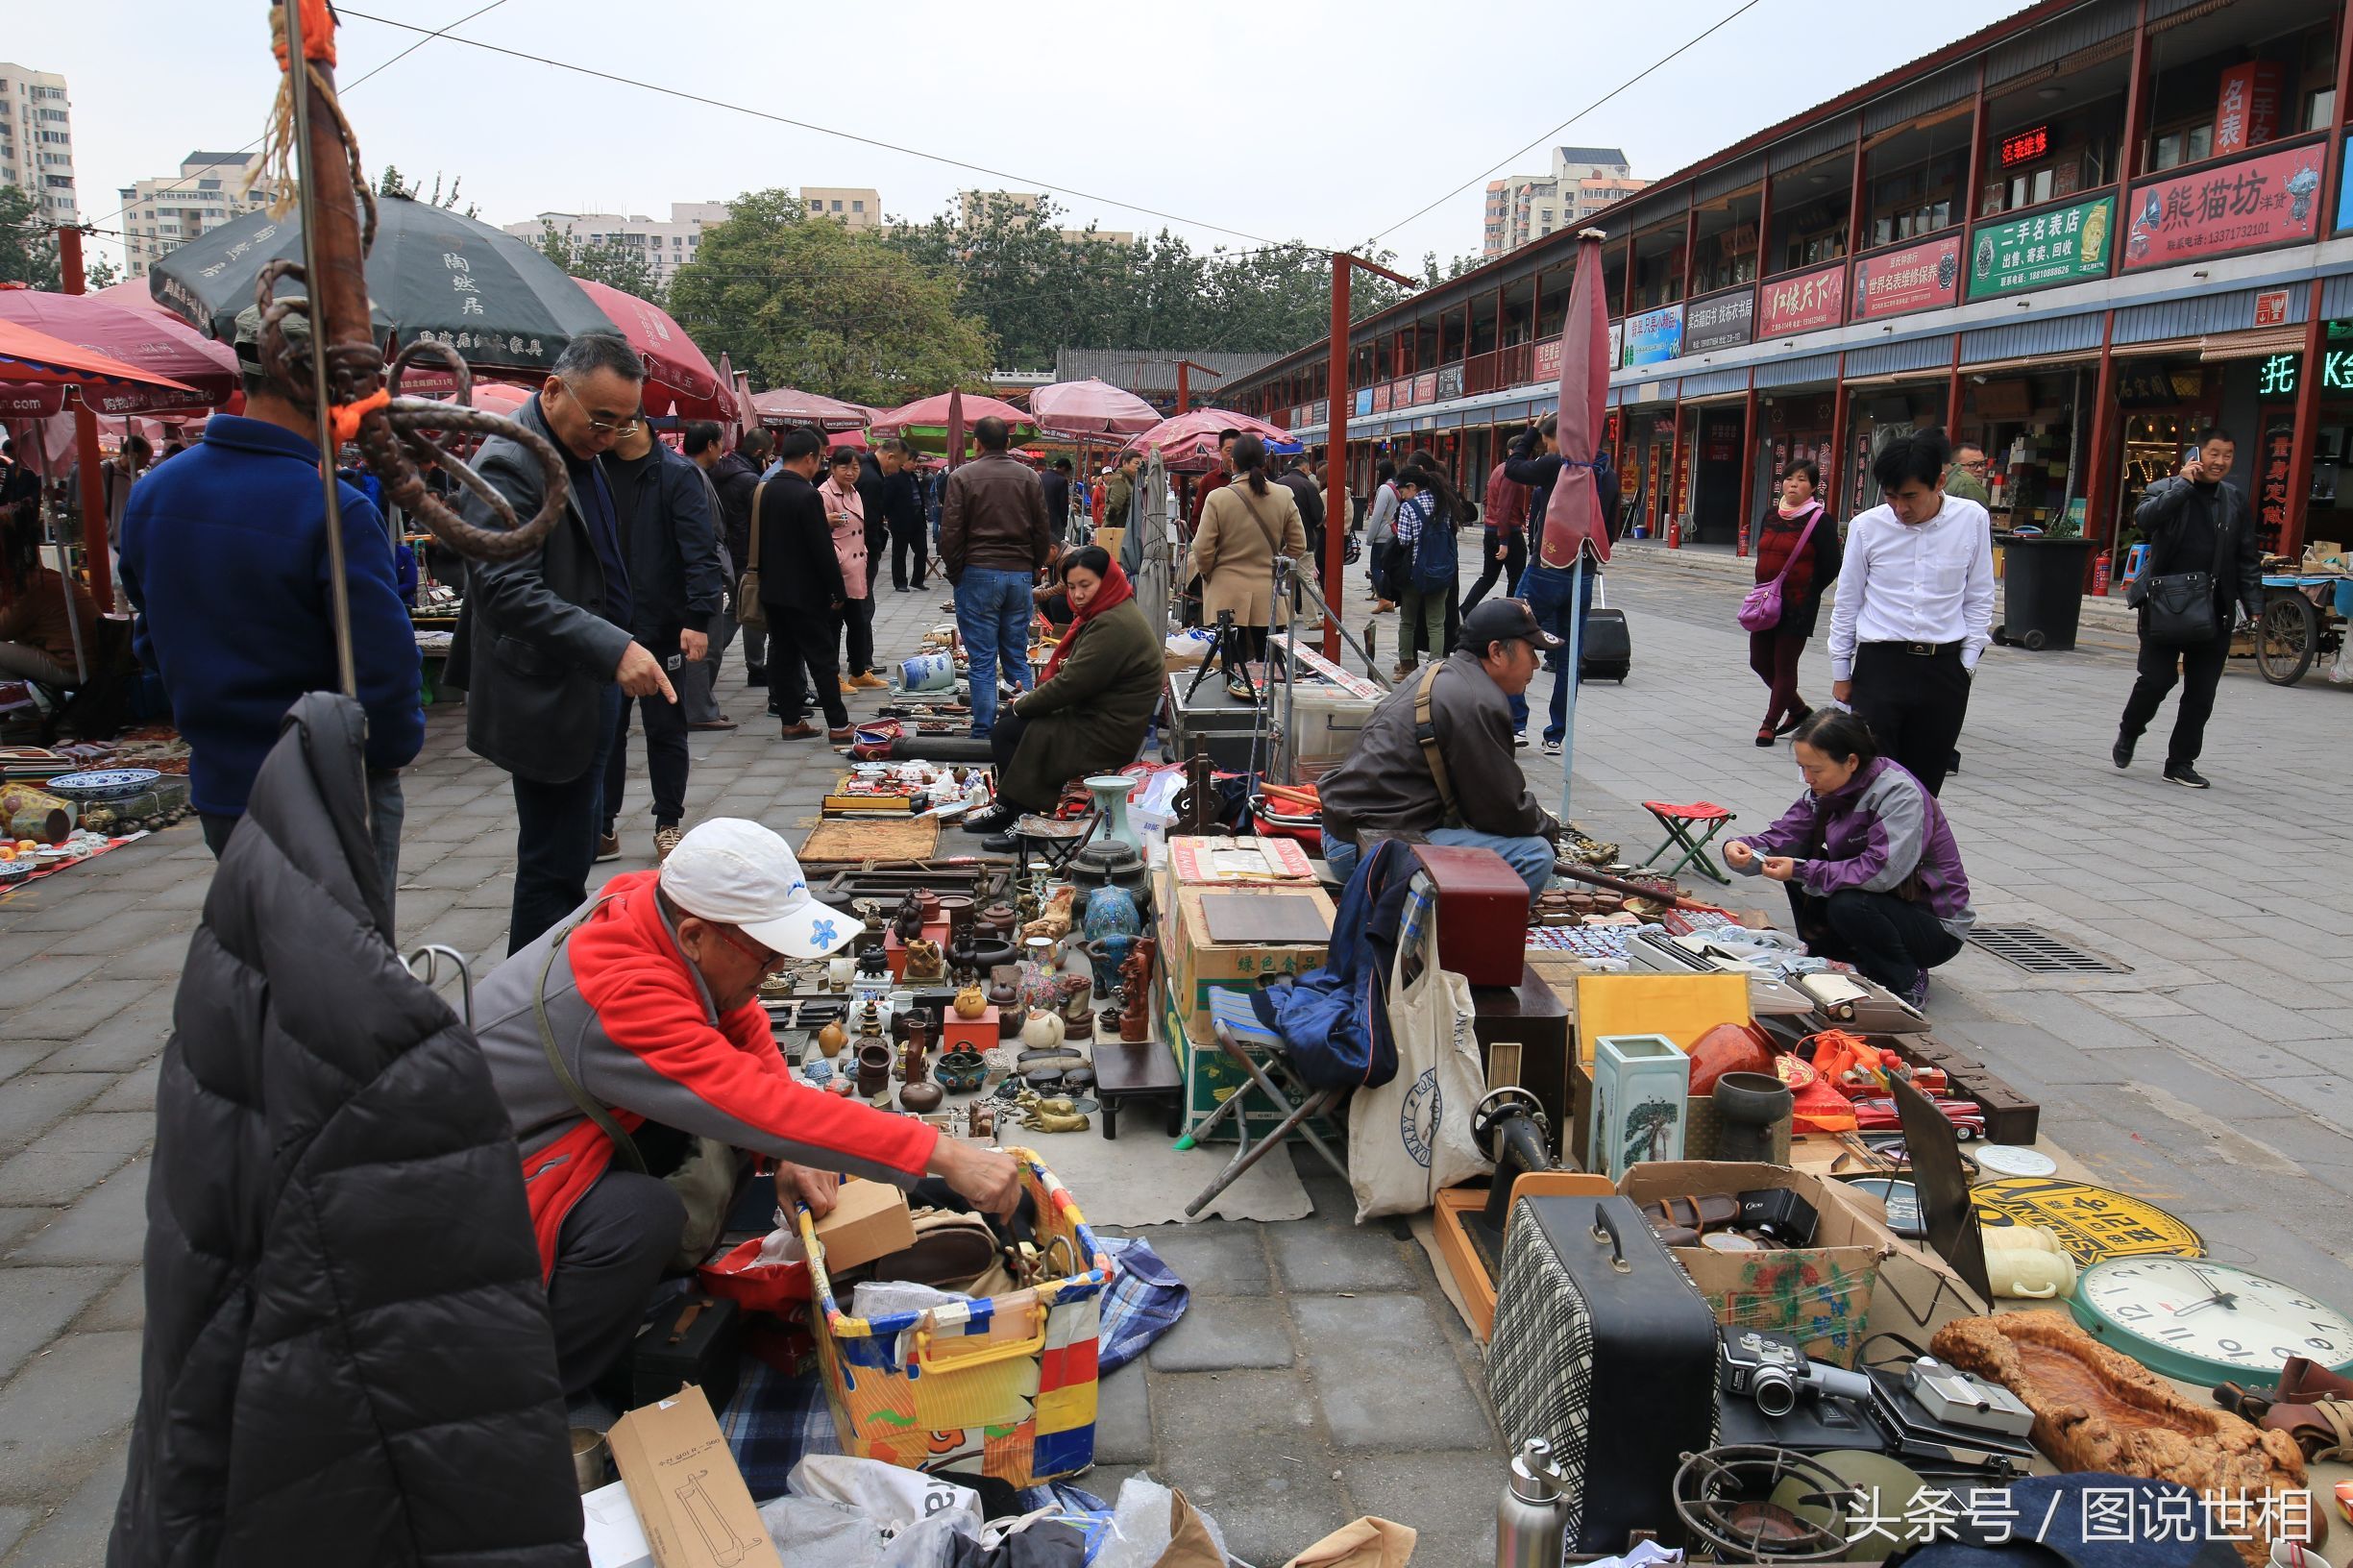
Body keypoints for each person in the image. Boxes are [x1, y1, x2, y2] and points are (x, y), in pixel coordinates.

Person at [471, 819, 1021, 1400]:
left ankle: (628, 1289)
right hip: (482, 1194)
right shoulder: (622, 990)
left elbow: (739, 1023)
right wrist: (944, 1153)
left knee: (738, 1142)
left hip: (560, 1128)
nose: (775, 972)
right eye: (764, 956)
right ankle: (545, 1383)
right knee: (641, 1215)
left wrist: (780, 1149)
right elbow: (748, 1099)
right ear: (693, 937)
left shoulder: (654, 905)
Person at [119, 305, 421, 906]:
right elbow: (382, 671)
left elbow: (151, 640)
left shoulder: (156, 491)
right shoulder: (331, 508)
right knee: (345, 983)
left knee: (258, 968)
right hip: (328, 791)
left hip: (223, 785)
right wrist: (384, 757)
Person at [448, 332, 675, 953]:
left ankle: (552, 995)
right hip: (546, 691)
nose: (609, 436)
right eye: (600, 420)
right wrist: (610, 646)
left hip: (588, 683)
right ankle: (527, 1016)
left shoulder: (578, 451)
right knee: (552, 871)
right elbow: (502, 589)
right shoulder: (509, 462)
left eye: (623, 425)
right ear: (552, 390)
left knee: (569, 859)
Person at [1724, 708, 1973, 1008]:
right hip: (1882, 902)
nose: (1807, 779)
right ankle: (1833, 954)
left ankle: (1905, 977)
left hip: (1934, 924)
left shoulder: (1898, 794)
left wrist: (1802, 870)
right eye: (1802, 768)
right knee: (1794, 858)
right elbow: (1782, 838)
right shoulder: (1826, 791)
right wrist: (1743, 850)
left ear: (1851, 761)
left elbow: (1880, 872)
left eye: (1815, 770)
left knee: (1844, 899)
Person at [1318, 599, 1564, 894]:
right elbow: (1501, 809)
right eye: (1531, 652)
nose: (1536, 665)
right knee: (1535, 854)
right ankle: (1474, 937)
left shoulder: (1440, 671)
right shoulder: (1476, 698)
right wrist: (1548, 827)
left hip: (1345, 829)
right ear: (1496, 651)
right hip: (1367, 844)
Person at [1826, 429, 1993, 798]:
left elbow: (1980, 595)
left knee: (1925, 786)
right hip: (1880, 668)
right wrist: (1841, 671)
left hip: (1943, 671)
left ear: (1939, 482)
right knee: (1869, 782)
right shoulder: (1867, 527)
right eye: (1891, 496)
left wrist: (1966, 662)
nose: (1900, 508)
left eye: (1911, 496)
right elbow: (1847, 602)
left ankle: (1914, 857)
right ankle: (1865, 855)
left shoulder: (1972, 520)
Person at [964, 547, 1162, 848]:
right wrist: (1026, 703)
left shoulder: (1114, 623)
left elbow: (1072, 684)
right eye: (1071, 587)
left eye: (1086, 585)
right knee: (1009, 723)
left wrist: (1025, 704)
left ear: (1106, 581)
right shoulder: (1108, 611)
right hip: (1095, 714)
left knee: (1022, 727)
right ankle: (1009, 806)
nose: (1078, 594)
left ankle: (1029, 823)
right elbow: (1077, 680)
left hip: (1110, 731)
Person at [598, 413, 724, 864]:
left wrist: (697, 617)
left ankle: (667, 822)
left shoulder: (676, 473)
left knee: (666, 730)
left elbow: (700, 551)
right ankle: (603, 824)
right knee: (605, 731)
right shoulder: (592, 466)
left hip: (662, 626)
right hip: (604, 627)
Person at [2114, 428, 2263, 789]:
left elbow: (2246, 555)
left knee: (2202, 692)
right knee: (2157, 679)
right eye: (2214, 453)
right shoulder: (2166, 488)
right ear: (2198, 454)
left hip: (2215, 609)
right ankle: (2130, 730)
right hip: (2166, 604)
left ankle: (2180, 761)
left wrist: (2254, 604)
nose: (2220, 462)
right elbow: (2145, 520)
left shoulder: (2233, 500)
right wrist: (2182, 486)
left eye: (2227, 455)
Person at [1505, 416, 1619, 758]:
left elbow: (1513, 468)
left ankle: (1516, 724)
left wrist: (1529, 432)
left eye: (1548, 441)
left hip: (1548, 568)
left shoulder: (1561, 465)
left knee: (1513, 635)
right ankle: (1555, 735)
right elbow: (1610, 527)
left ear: (1561, 438)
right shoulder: (1606, 473)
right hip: (1583, 572)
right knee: (1569, 658)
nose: (1546, 448)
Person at [940, 415, 1052, 737]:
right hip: (1018, 574)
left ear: (977, 444)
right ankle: (1026, 727)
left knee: (982, 659)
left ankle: (983, 729)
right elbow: (1042, 530)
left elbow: (950, 533)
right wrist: (1033, 567)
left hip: (977, 571)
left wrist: (957, 570)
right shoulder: (1029, 477)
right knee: (1017, 654)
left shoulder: (962, 477)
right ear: (1008, 443)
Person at [757, 426, 853, 742]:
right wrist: (836, 588)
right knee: (822, 659)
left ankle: (790, 720)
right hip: (804, 591)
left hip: (773, 589)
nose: (820, 465)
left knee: (783, 656)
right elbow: (821, 548)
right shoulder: (806, 494)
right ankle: (838, 725)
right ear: (809, 458)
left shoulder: (768, 489)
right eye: (821, 459)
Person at [1747, 458, 1843, 747]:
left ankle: (1769, 724)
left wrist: (1808, 591)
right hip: (1765, 601)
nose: (1794, 484)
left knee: (1784, 664)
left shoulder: (1819, 521)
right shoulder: (1771, 515)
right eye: (1789, 478)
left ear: (1813, 487)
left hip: (1798, 604)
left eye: (1802, 480)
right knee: (1759, 661)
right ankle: (1799, 710)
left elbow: (1831, 564)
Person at [1193, 432, 1309, 660]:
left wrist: (1209, 573)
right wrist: (1277, 564)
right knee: (1270, 666)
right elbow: (1298, 544)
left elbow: (1202, 548)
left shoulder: (1218, 498)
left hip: (1226, 590)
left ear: (1233, 463)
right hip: (1268, 590)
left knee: (1233, 667)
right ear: (1264, 462)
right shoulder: (1282, 495)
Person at [677, 422, 740, 732]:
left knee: (708, 643)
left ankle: (702, 704)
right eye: (720, 444)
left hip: (707, 565)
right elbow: (702, 532)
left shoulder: (695, 473)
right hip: (704, 569)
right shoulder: (691, 475)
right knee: (705, 643)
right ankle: (698, 709)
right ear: (711, 445)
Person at [821, 447, 887, 693]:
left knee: (859, 621)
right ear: (832, 468)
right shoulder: (825, 494)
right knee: (834, 624)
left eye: (855, 467)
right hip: (838, 569)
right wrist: (838, 559)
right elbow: (818, 536)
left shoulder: (855, 492)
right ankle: (831, 676)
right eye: (844, 467)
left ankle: (858, 672)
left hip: (857, 567)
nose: (850, 472)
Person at [1391, 463, 1464, 677]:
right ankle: (1435, 667)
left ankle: (1407, 665)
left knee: (1408, 621)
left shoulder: (1409, 507)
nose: (1402, 496)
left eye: (1403, 490)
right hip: (1442, 572)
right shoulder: (1444, 503)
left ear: (1412, 487)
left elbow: (1404, 540)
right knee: (1436, 622)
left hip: (1416, 573)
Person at [0, 564, 97, 689]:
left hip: (74, 667)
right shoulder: (45, 577)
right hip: (90, 661)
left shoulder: (28, 587)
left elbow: (3, 631)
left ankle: (21, 706)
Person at [1463, 454, 1531, 614]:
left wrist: (1491, 519)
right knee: (1517, 578)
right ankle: (1510, 615)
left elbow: (1487, 500)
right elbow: (1504, 506)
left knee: (1488, 577)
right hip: (1508, 531)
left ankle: (1464, 610)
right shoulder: (1512, 473)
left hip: (1492, 529)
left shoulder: (1497, 470)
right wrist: (1504, 540)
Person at [871, 439, 928, 591]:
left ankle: (917, 580)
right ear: (904, 461)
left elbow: (919, 499)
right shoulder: (894, 477)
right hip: (901, 522)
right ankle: (900, 582)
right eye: (913, 461)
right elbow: (886, 500)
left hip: (917, 521)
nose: (915, 465)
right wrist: (889, 517)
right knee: (899, 553)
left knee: (922, 550)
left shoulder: (914, 477)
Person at [1276, 452, 1327, 571]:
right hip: (1304, 541)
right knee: (1307, 582)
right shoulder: (1308, 486)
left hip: (1281, 542)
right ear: (1305, 468)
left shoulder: (1277, 483)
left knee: (1283, 580)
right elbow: (1318, 516)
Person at [1362, 458, 1400, 611]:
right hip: (1394, 533)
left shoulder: (1385, 489)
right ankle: (1387, 598)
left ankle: (1385, 598)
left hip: (1383, 534)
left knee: (1376, 567)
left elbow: (1377, 515)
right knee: (1388, 568)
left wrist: (1370, 538)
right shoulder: (1398, 487)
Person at [1188, 429, 1240, 534]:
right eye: (1229, 451)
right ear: (1220, 451)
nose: (1233, 456)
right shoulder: (1209, 480)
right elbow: (1197, 517)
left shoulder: (1249, 479)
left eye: (1237, 450)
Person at [1944, 441, 1993, 508]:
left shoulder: (1945, 480)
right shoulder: (1968, 484)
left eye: (1982, 464)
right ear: (1956, 465)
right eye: (1972, 464)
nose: (1979, 469)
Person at [1104, 450, 1140, 536]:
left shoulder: (1130, 479)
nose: (1138, 466)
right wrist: (1107, 527)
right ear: (1125, 463)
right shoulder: (1119, 479)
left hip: (1129, 527)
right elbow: (1115, 506)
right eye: (1136, 463)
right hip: (1119, 528)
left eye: (1140, 464)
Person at [1042, 456, 1073, 540]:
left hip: (1041, 519)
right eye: (1066, 472)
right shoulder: (1061, 481)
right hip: (1056, 521)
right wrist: (1064, 522)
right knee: (1057, 547)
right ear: (1063, 468)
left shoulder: (1041, 476)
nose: (1066, 475)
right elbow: (1063, 504)